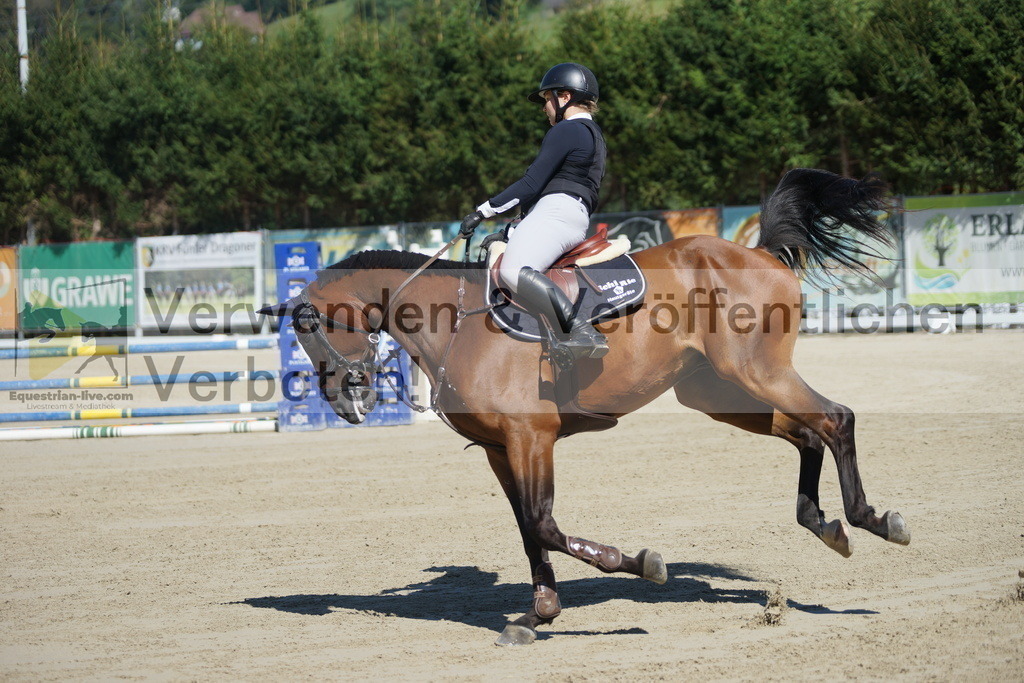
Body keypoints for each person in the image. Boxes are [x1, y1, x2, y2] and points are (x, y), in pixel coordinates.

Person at [460, 62, 609, 365]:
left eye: (546, 100)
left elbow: (531, 183)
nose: (544, 108)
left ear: (564, 97)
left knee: (513, 271)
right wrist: (511, 229)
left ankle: (580, 330)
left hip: (557, 211)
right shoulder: (592, 133)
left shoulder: (568, 130)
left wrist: (482, 211)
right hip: (565, 213)